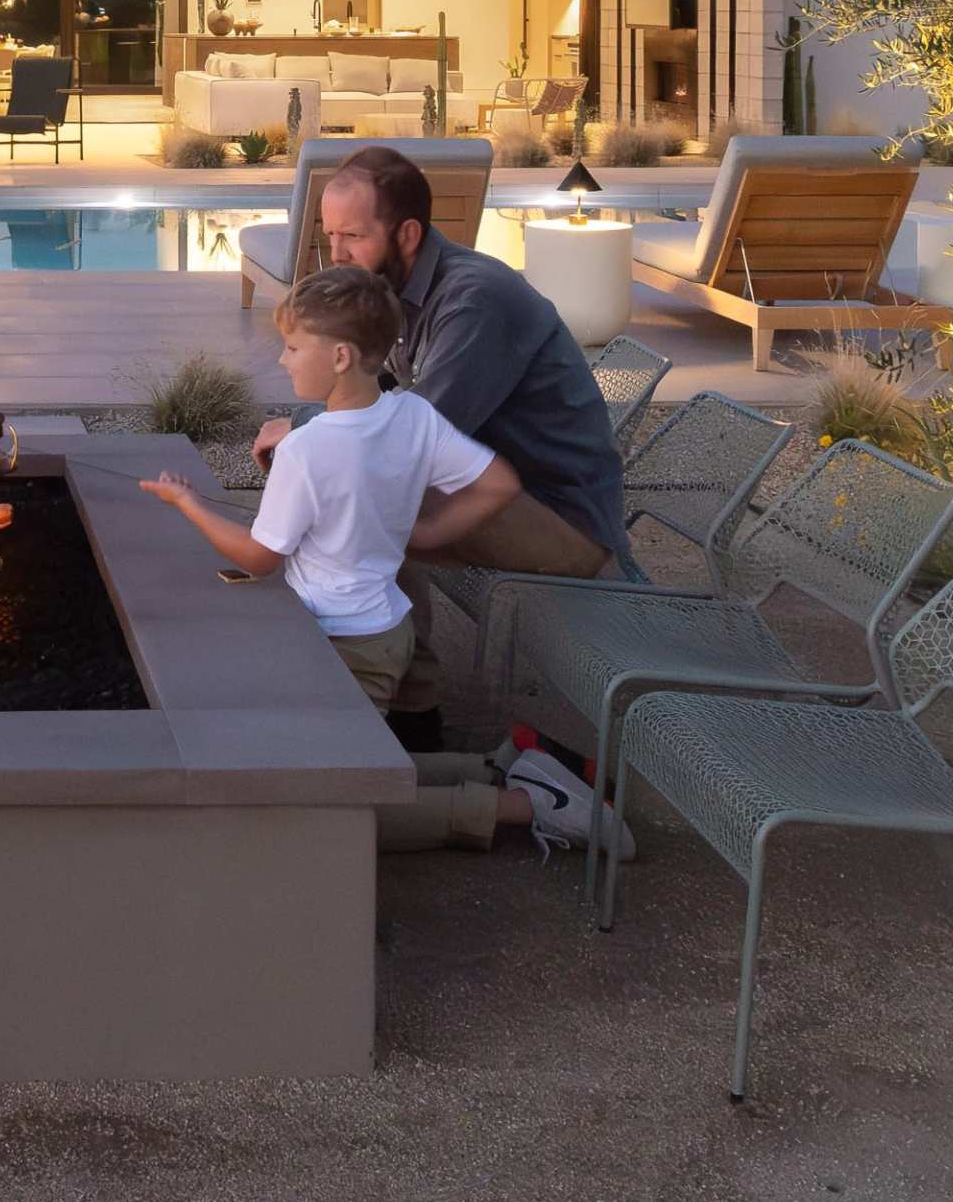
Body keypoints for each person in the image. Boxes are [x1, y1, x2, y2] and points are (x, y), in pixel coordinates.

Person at [139, 264, 620, 860]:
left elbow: (260, 558)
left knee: (332, 808)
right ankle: (500, 767)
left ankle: (527, 809)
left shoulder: (307, 448)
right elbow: (498, 483)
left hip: (341, 643)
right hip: (389, 629)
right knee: (345, 762)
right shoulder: (411, 415)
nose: (283, 361)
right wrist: (424, 531)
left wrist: (186, 503)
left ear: (340, 356)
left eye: (292, 347)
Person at [253, 142, 628, 742]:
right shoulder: (394, 294)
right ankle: (407, 700)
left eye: (353, 237)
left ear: (406, 233)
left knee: (363, 490)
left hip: (565, 523)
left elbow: (407, 436)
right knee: (352, 484)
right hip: (503, 494)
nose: (337, 256)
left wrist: (302, 435)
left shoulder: (472, 300)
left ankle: (395, 702)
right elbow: (368, 401)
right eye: (329, 237)